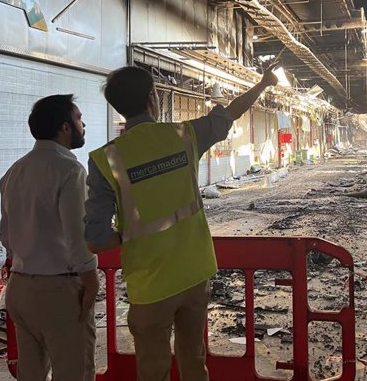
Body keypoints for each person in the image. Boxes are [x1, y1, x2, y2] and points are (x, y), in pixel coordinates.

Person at [85, 66, 278, 381]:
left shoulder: (106, 159)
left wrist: (127, 234)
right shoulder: (184, 136)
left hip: (149, 285)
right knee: (194, 362)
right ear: (153, 97)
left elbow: (96, 239)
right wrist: (263, 83)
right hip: (194, 272)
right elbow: (232, 113)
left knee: (152, 370)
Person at [0, 94, 98, 381]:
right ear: (65, 127)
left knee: (30, 373)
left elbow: (7, 235)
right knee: (74, 372)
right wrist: (91, 282)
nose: (83, 124)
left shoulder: (14, 171)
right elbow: (78, 234)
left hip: (19, 288)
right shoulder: (69, 170)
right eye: (79, 119)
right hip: (59, 292)